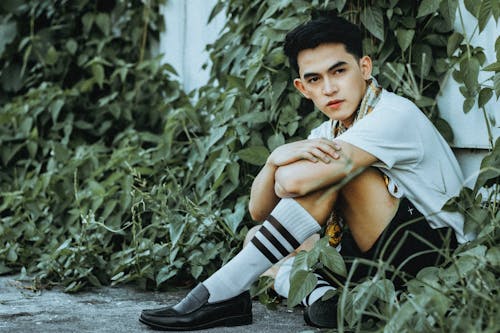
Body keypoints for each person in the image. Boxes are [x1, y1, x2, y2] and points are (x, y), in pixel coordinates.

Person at [139, 15, 467, 330]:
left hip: (432, 258)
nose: (329, 88)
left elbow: (295, 182)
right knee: (258, 239)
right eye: (315, 79)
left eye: (338, 71)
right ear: (302, 87)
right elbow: (260, 211)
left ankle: (221, 293)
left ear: (364, 68)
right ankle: (325, 298)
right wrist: (273, 160)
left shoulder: (393, 115)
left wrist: (283, 170)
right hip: (374, 255)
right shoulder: (328, 131)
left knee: (341, 175)